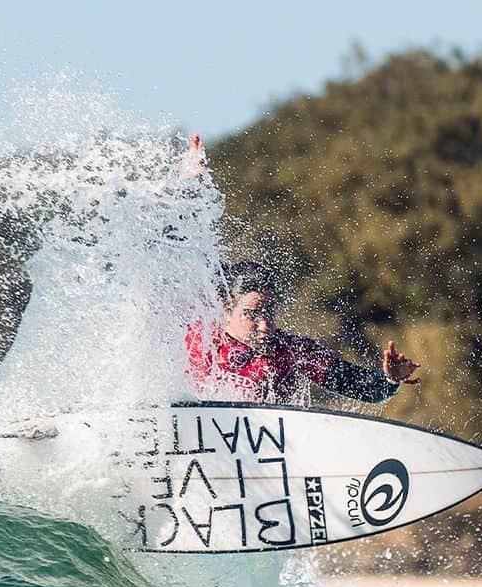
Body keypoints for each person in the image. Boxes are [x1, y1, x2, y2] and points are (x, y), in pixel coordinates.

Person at [180, 136, 421, 405]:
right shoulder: (199, 338)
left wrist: (390, 379)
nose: (264, 325)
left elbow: (363, 387)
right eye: (252, 314)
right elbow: (180, 246)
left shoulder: (294, 351)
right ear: (226, 309)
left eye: (269, 312)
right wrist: (191, 181)